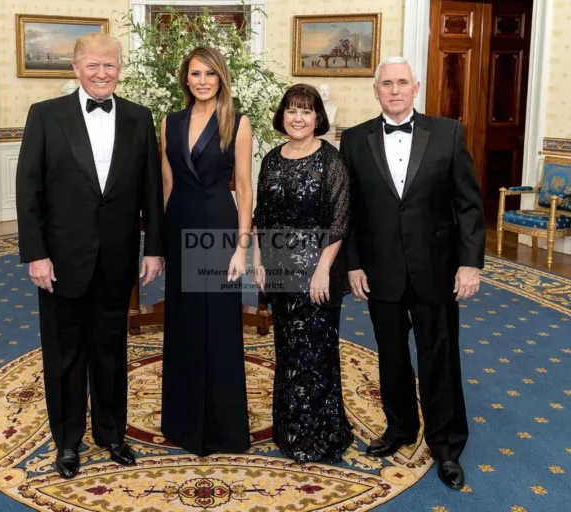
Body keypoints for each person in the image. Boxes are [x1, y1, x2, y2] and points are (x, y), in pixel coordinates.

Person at [15, 33, 164, 479]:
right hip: (60, 261)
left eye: (110, 66)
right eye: (93, 66)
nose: (102, 74)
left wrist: (153, 248)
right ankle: (67, 441)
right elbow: (29, 191)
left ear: (121, 69)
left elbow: (151, 191)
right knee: (63, 354)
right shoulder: (45, 116)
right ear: (76, 68)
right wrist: (36, 255)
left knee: (111, 350)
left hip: (118, 259)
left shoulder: (140, 117)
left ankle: (112, 434)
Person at [340, 56, 485, 489]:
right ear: (376, 91)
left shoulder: (448, 133)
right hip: (379, 270)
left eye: (403, 82)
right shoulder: (353, 139)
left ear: (416, 87)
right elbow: (348, 211)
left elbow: (470, 205)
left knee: (439, 358)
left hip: (435, 270)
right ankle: (399, 428)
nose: (395, 90)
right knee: (392, 357)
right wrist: (354, 263)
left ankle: (446, 445)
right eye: (387, 84)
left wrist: (469, 263)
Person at [252, 84, 353, 463]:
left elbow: (340, 220)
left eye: (307, 111)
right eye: (292, 110)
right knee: (288, 350)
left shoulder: (331, 161)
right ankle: (289, 429)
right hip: (278, 269)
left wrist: (323, 271)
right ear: (283, 116)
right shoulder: (271, 159)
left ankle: (322, 434)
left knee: (316, 351)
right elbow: (261, 216)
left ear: (317, 118)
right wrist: (259, 260)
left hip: (315, 271)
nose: (298, 118)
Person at [160, 46, 253, 456]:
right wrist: (162, 245)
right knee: (182, 325)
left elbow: (245, 188)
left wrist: (241, 246)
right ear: (186, 78)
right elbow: (167, 185)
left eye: (209, 74)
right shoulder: (170, 122)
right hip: (180, 224)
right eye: (195, 73)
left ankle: (222, 429)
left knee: (218, 328)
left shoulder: (237, 121)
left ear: (221, 78)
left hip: (218, 228)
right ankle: (182, 423)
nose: (202, 81)